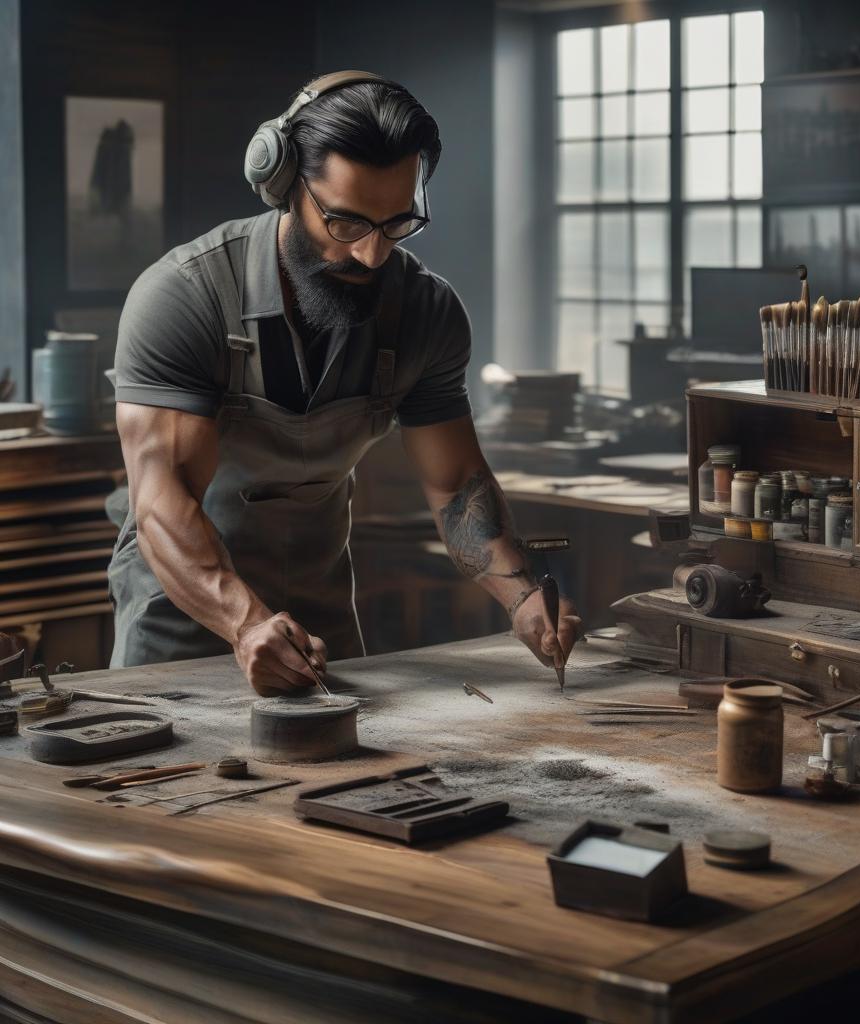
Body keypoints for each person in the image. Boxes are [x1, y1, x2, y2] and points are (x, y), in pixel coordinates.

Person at [109, 71, 580, 696]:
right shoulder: (184, 297)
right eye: (346, 223)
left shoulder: (426, 313)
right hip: (185, 608)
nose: (372, 256)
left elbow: (455, 487)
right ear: (284, 186)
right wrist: (247, 625)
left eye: (396, 225)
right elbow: (161, 506)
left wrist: (522, 596)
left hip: (321, 609)